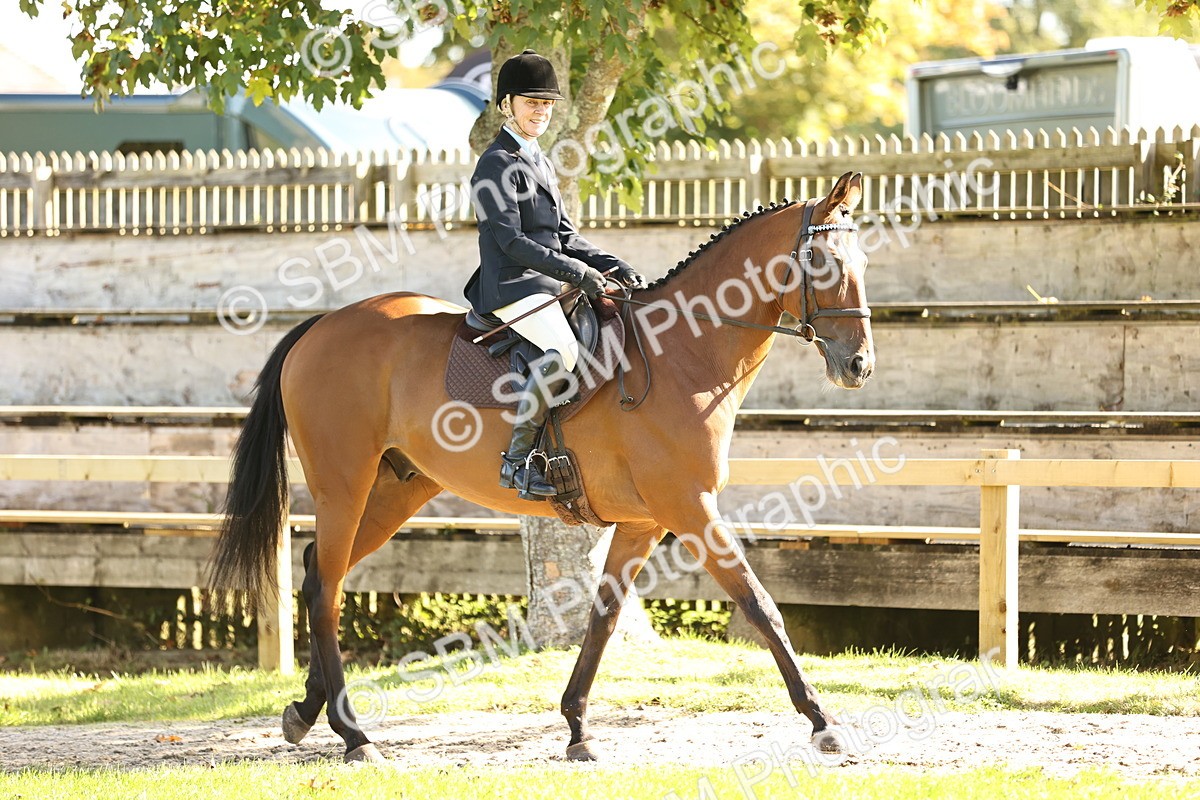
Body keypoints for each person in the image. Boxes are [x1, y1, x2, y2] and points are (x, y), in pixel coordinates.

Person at [464, 49, 646, 499]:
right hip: (511, 284)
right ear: (506, 105)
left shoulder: (540, 161)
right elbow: (510, 240)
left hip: (546, 281)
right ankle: (517, 464)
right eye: (531, 102)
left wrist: (611, 264)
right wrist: (576, 272)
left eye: (546, 103)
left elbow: (564, 235)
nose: (540, 111)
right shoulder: (495, 163)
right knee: (563, 350)